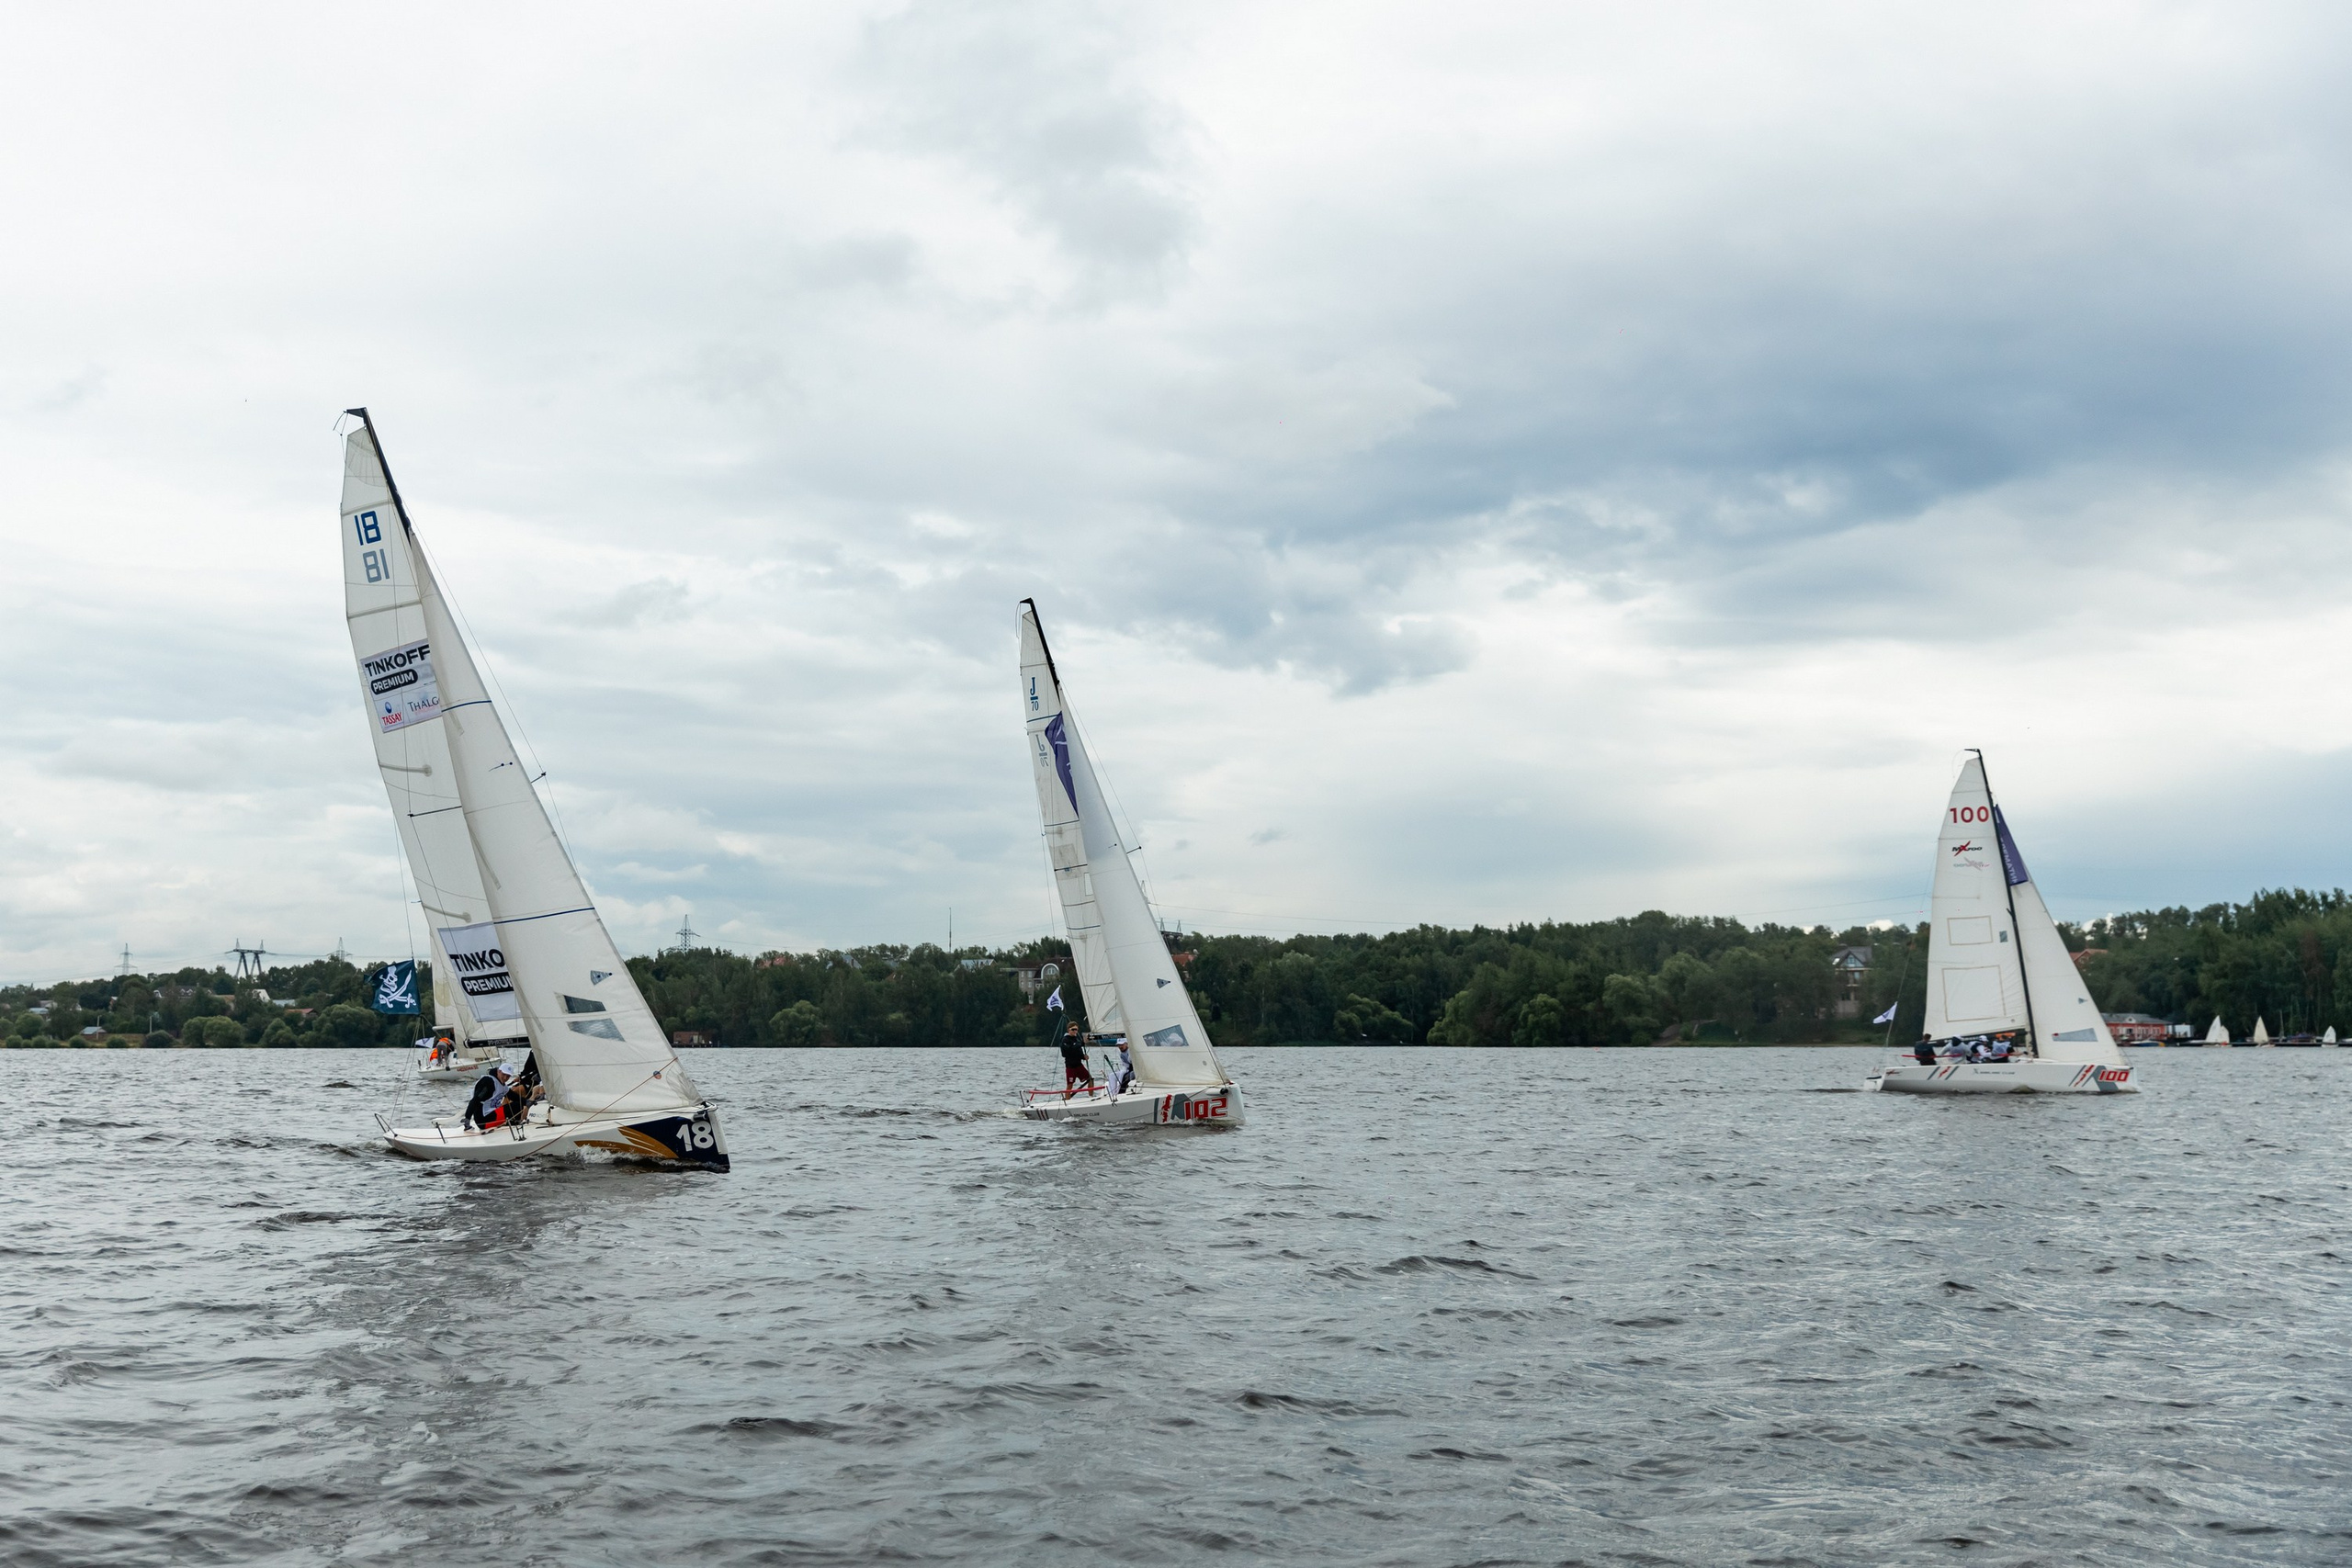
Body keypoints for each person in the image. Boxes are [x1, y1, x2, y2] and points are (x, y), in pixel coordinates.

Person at [1059, 1024, 1096, 1099]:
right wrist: (1082, 1043)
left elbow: (1078, 1051)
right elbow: (1070, 1050)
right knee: (1070, 1084)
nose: (1075, 1031)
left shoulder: (1076, 1039)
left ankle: (1091, 1097)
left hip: (1079, 1065)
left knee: (1090, 1079)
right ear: (1069, 1030)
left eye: (1076, 1029)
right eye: (1073, 1029)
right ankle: (1067, 1100)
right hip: (1070, 1066)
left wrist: (1083, 1056)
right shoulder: (1065, 1040)